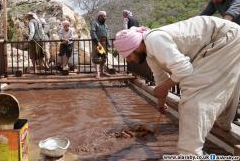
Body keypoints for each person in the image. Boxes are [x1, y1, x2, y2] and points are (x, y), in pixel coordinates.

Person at [113, 16, 240, 155]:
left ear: (136, 46)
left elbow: (185, 69)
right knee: (224, 82)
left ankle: (189, 153)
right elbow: (160, 78)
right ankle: (223, 123)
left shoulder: (154, 40)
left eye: (128, 56)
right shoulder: (150, 52)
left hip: (226, 37)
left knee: (193, 93)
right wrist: (161, 103)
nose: (130, 60)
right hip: (229, 37)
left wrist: (164, 88)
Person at [90, 11, 112, 79]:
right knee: (97, 58)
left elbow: (107, 34)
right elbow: (93, 33)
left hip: (104, 43)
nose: (105, 18)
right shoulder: (95, 23)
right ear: (100, 16)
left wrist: (108, 43)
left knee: (103, 57)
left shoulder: (105, 25)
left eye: (105, 16)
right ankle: (97, 73)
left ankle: (102, 72)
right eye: (104, 16)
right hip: (98, 43)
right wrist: (97, 42)